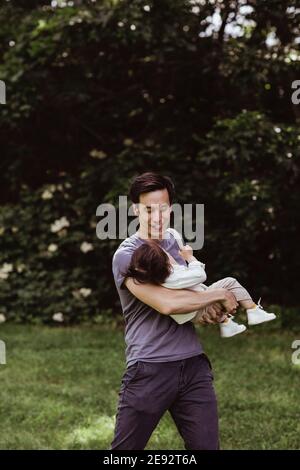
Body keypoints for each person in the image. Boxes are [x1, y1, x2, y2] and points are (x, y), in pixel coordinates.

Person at [111, 172, 238, 450]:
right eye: (148, 210)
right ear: (134, 210)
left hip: (193, 366)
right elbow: (168, 304)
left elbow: (189, 294)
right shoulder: (127, 255)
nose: (157, 217)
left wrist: (208, 311)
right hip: (149, 368)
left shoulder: (173, 243)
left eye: (163, 208)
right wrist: (219, 295)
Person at [123, 230, 276, 339]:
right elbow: (200, 275)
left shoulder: (159, 278)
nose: (168, 253)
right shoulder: (174, 277)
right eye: (165, 254)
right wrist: (190, 257)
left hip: (190, 313)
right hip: (195, 308)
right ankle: (253, 310)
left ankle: (228, 325)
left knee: (214, 301)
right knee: (230, 282)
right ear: (164, 262)